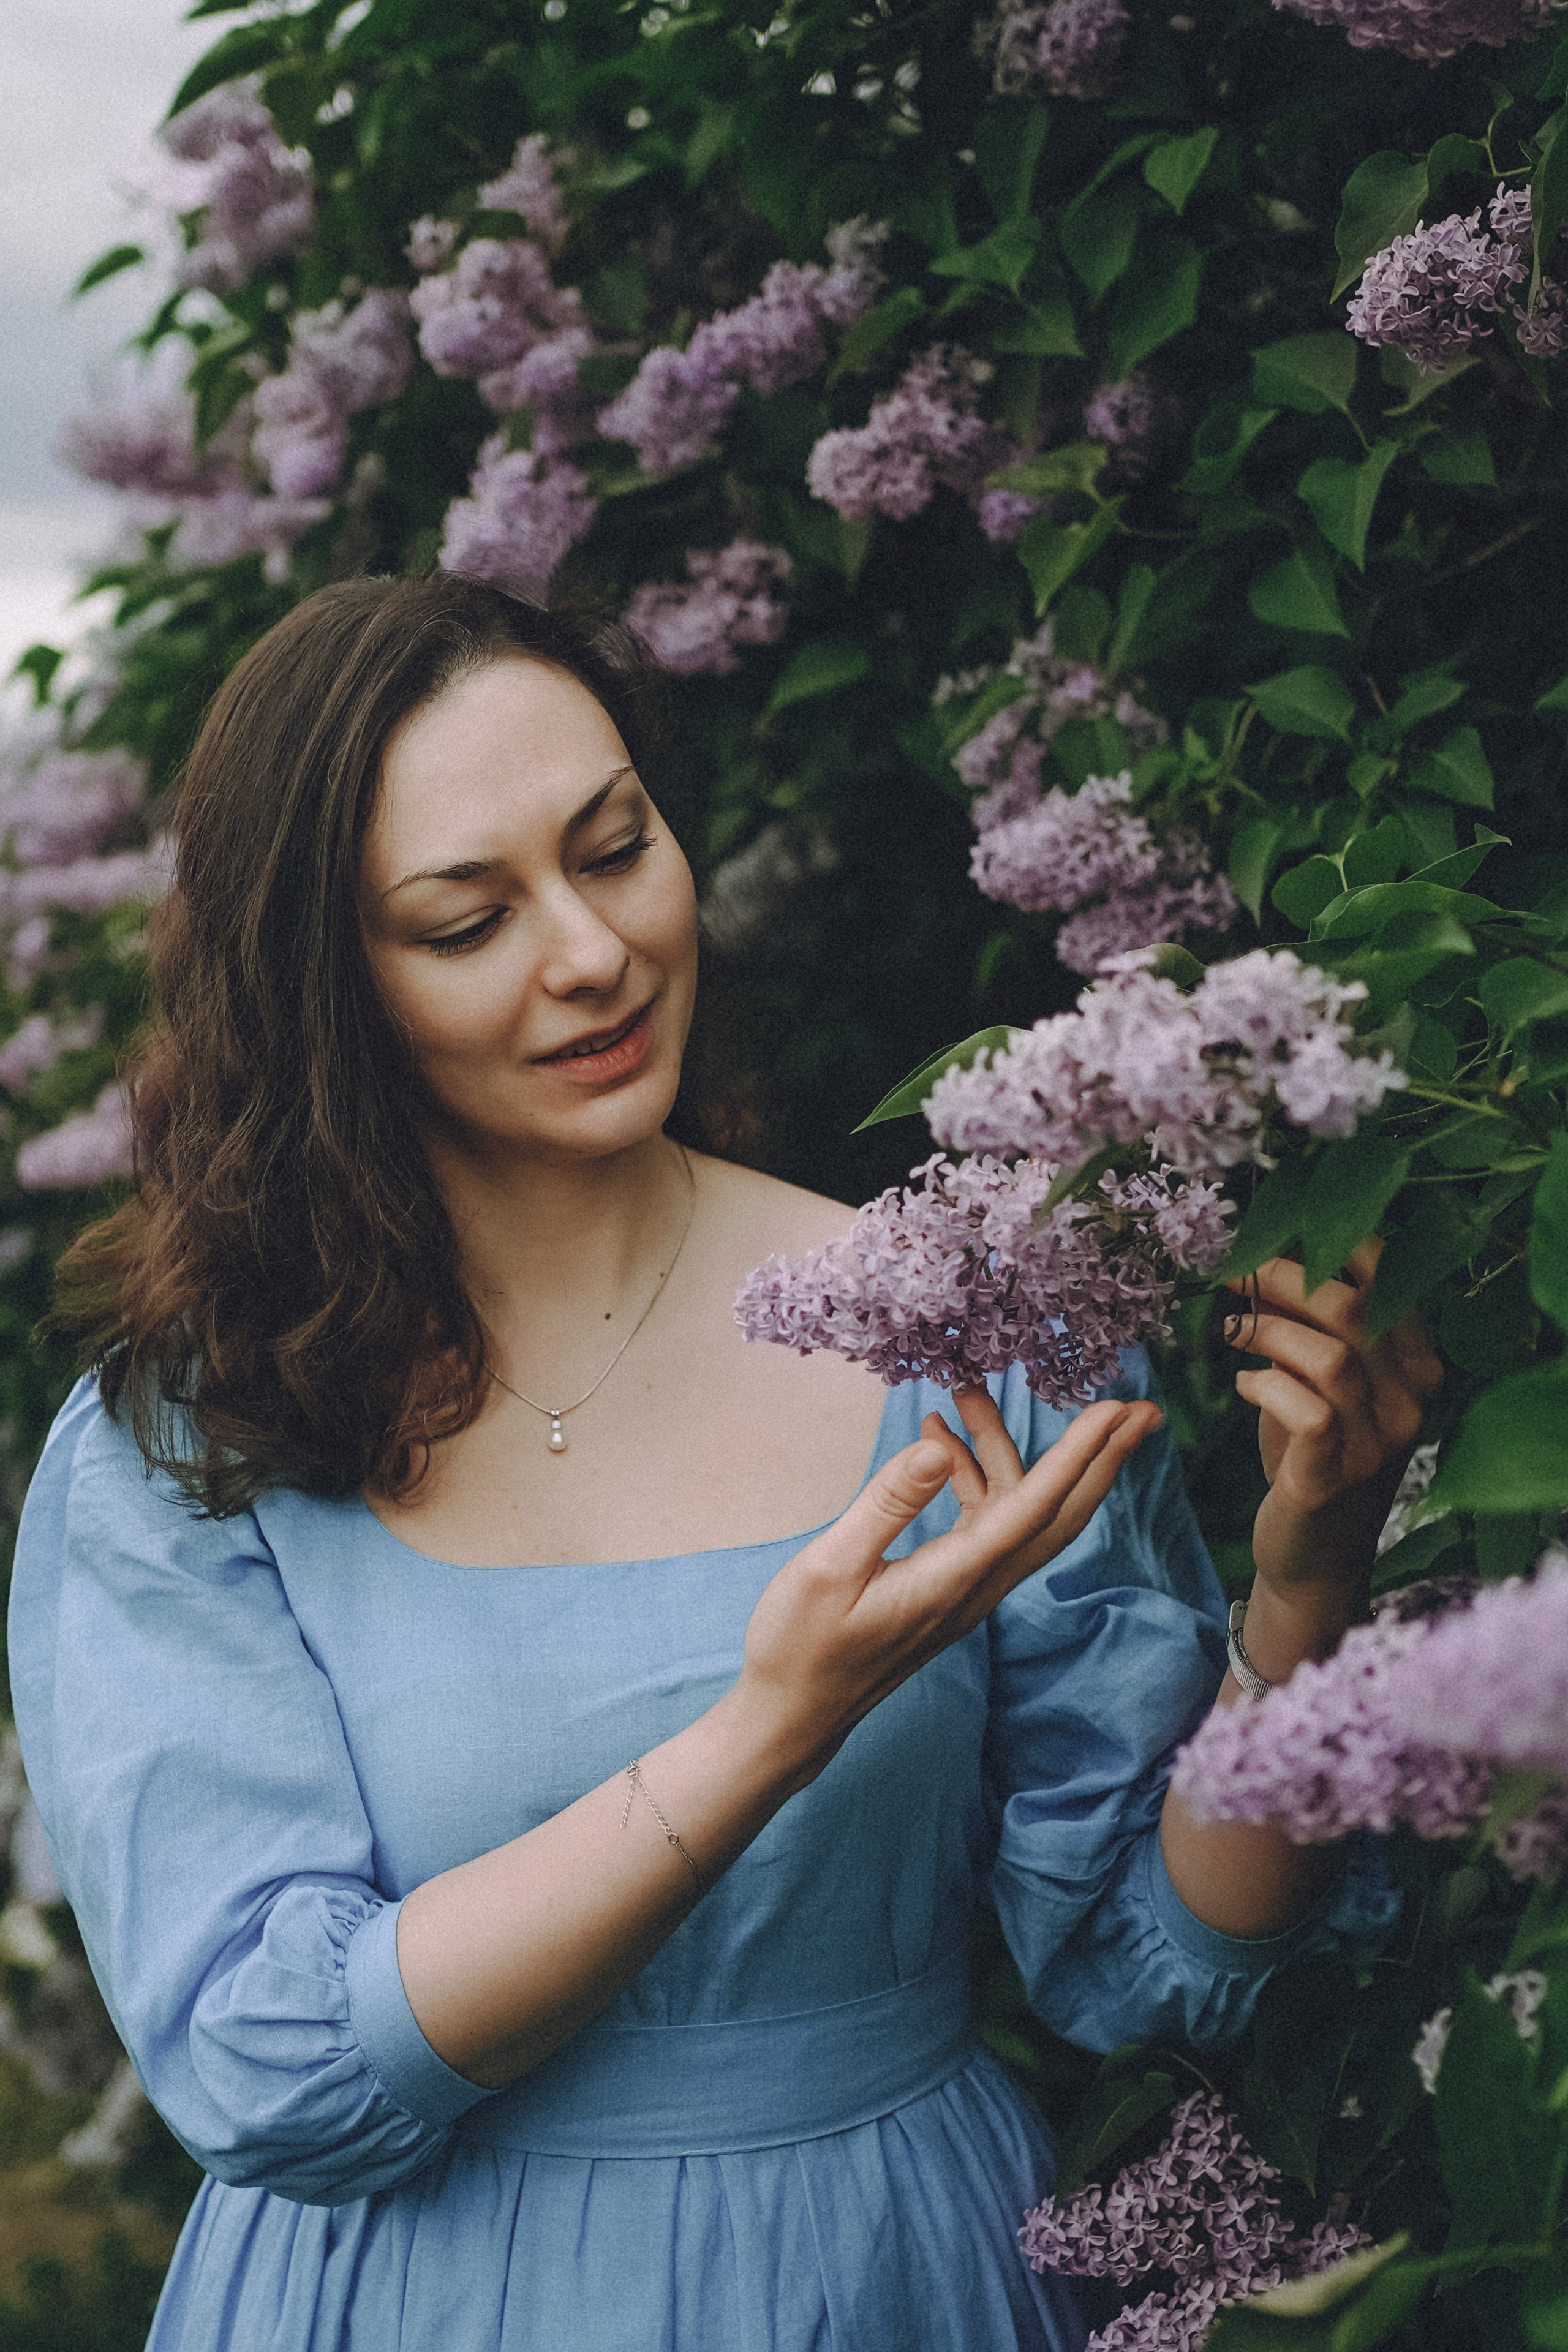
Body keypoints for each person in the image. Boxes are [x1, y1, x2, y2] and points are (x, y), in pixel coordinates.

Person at [7, 574, 1437, 2352]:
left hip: (885, 2276)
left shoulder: (968, 1330)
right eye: (469, 921)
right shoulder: (196, 1440)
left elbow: (1157, 1959)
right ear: (327, 991)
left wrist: (1311, 1578)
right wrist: (768, 1729)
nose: (591, 951)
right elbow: (265, 2068)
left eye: (615, 849)